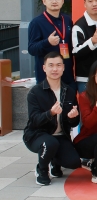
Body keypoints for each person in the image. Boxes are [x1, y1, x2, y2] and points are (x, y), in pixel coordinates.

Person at [23, 52, 81, 186]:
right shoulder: (35, 92)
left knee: (74, 162)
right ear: (44, 68)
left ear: (63, 68)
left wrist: (72, 117)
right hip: (37, 135)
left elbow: (75, 123)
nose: (55, 69)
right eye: (51, 65)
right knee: (50, 143)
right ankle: (42, 169)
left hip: (60, 136)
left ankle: (55, 162)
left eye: (58, 65)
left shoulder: (69, 91)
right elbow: (34, 120)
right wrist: (50, 113)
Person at [28, 0, 75, 88]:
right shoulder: (36, 22)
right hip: (46, 79)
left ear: (63, 0)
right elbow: (32, 49)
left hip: (67, 76)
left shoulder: (67, 20)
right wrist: (47, 42)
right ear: (44, 1)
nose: (54, 1)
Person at [72, 0, 97, 93]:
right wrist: (92, 41)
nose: (94, 4)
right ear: (85, 4)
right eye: (90, 1)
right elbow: (75, 51)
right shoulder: (79, 26)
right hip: (86, 78)